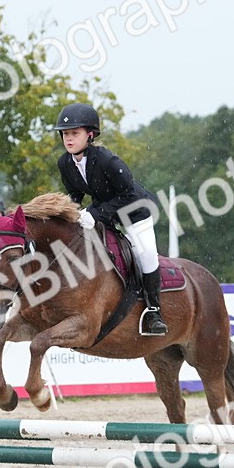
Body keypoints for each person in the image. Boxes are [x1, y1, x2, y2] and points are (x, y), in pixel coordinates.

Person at [53, 102, 167, 335]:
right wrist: (66, 215)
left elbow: (129, 195)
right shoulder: (65, 163)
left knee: (145, 254)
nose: (69, 139)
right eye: (65, 134)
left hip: (135, 210)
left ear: (90, 135)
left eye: (75, 133)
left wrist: (94, 214)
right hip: (105, 209)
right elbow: (75, 195)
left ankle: (154, 312)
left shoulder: (107, 160)